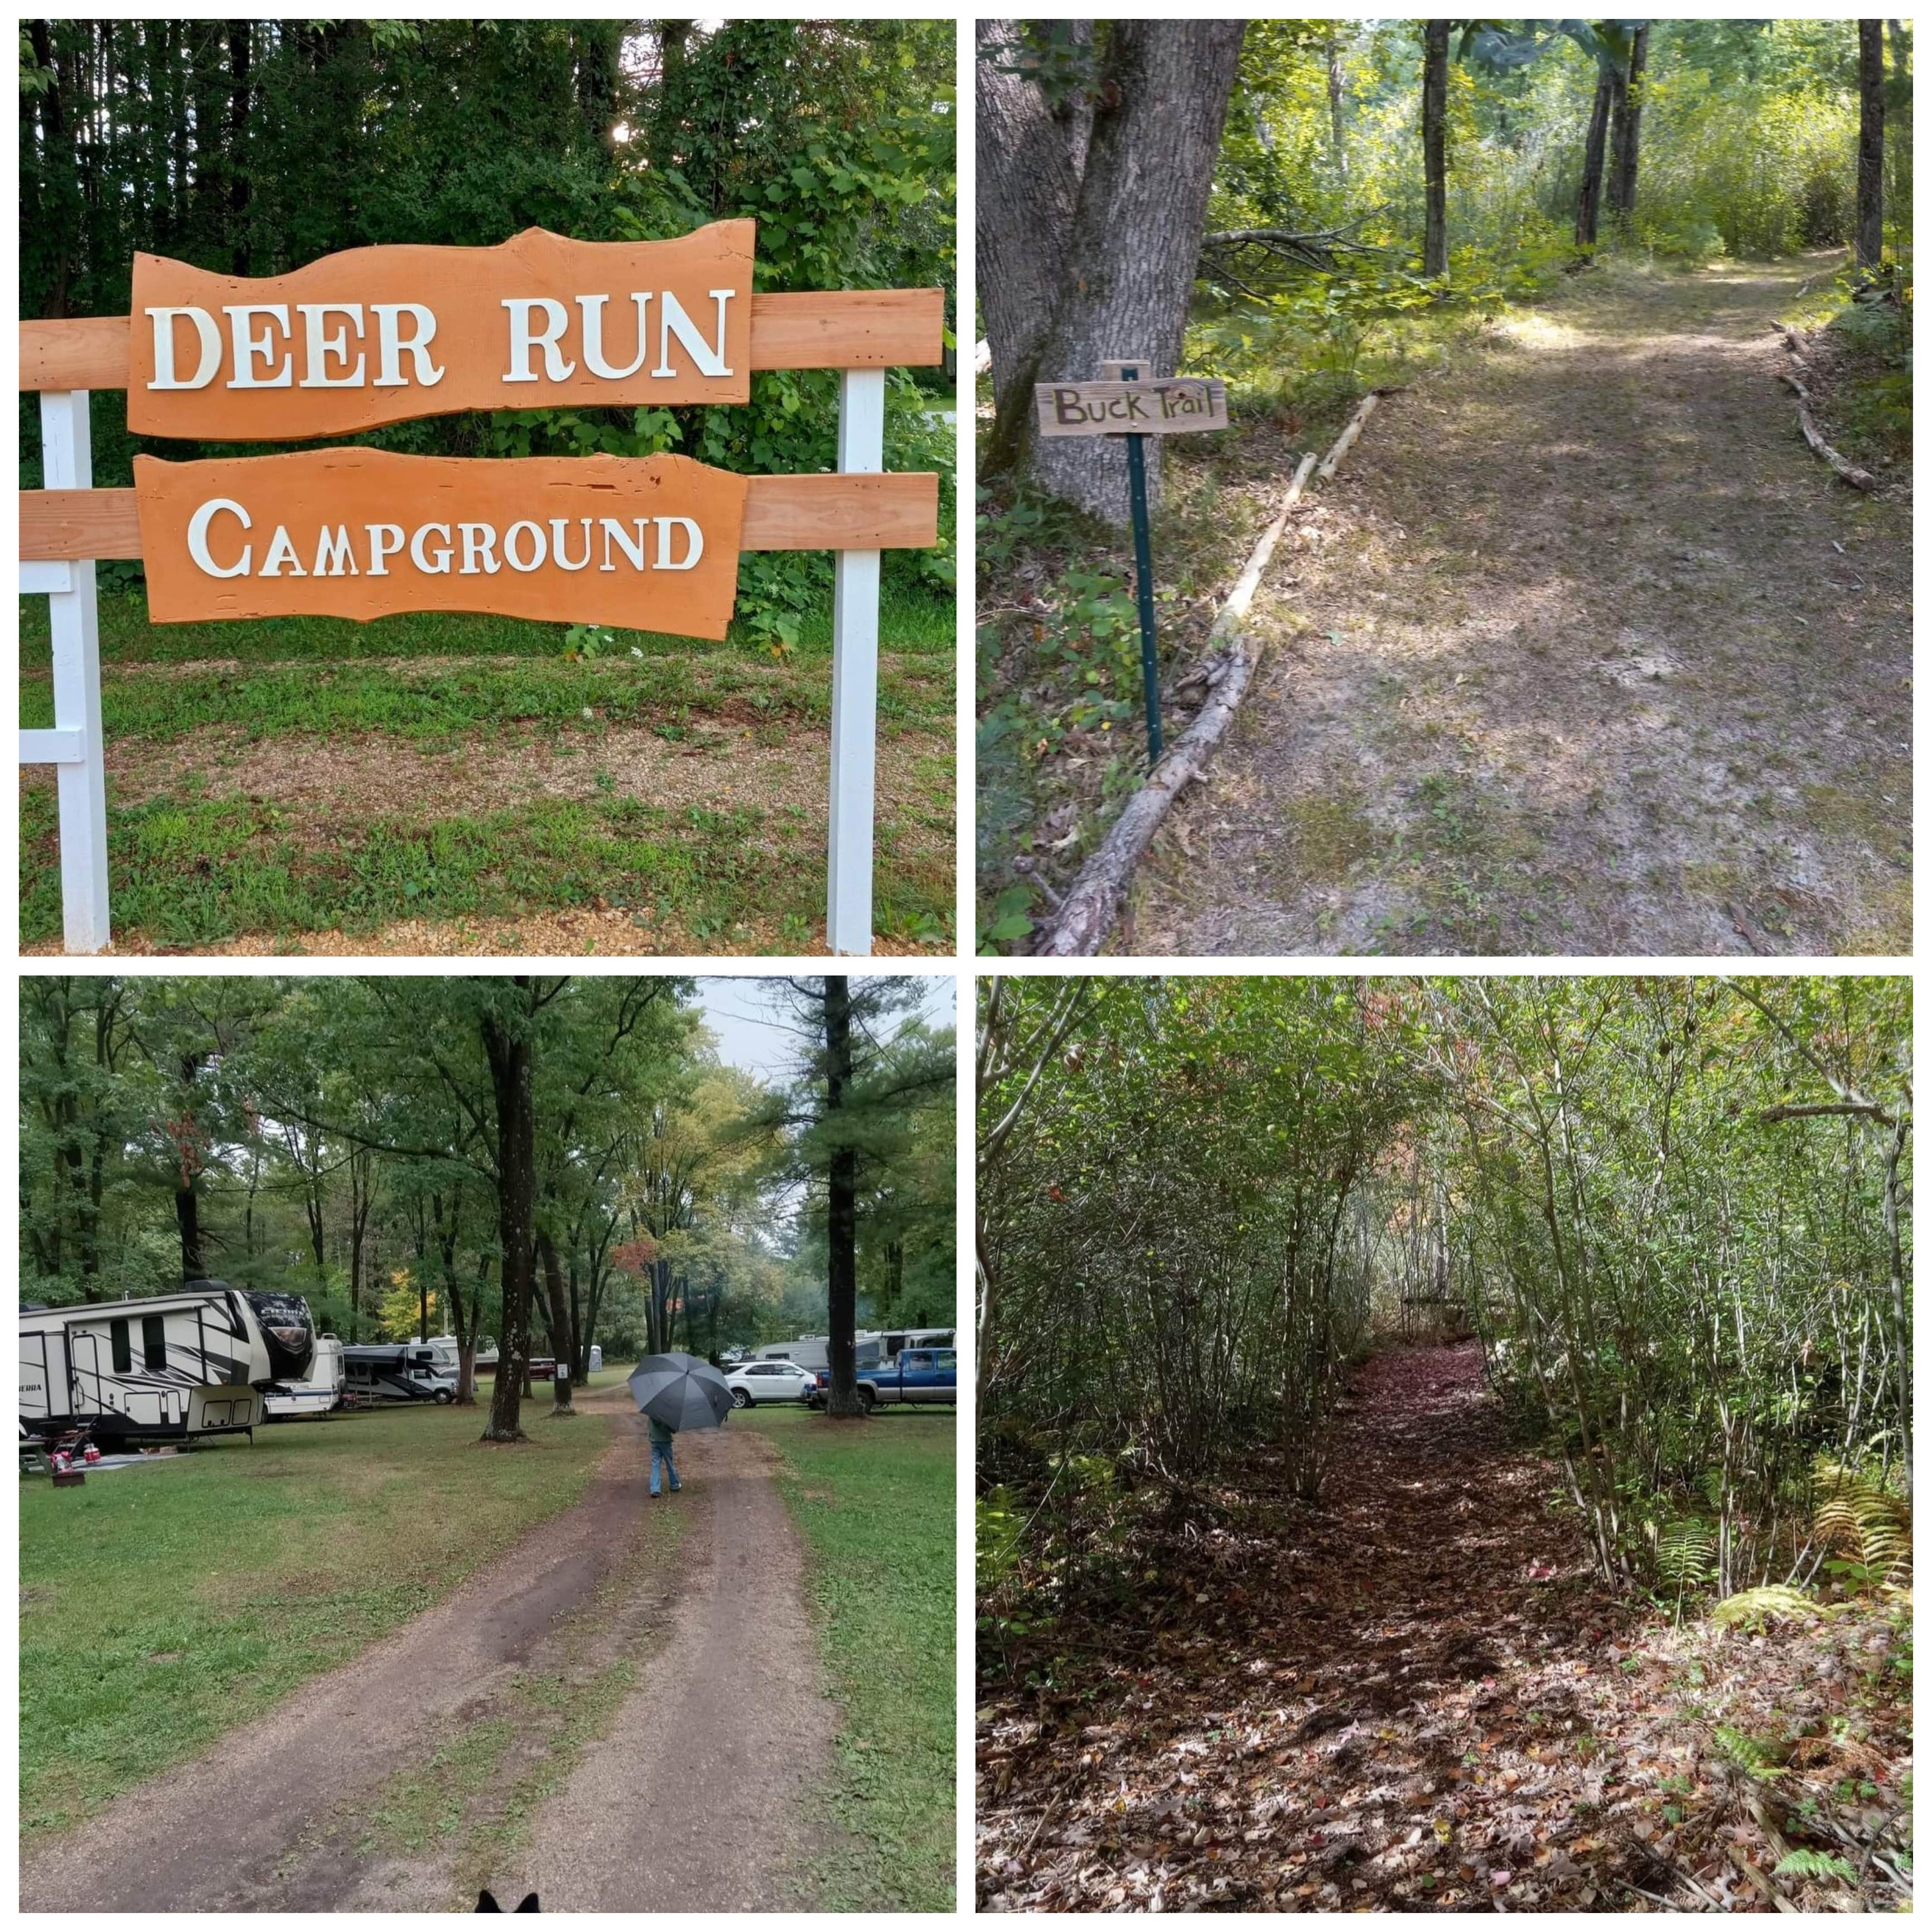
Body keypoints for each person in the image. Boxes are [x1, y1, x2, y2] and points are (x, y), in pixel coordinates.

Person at [648, 1413, 682, 1497]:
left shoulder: (651, 1413)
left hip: (654, 1441)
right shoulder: (666, 1415)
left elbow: (650, 1427)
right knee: (670, 1463)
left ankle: (655, 1489)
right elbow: (673, 1430)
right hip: (666, 1442)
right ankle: (674, 1484)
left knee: (655, 1465)